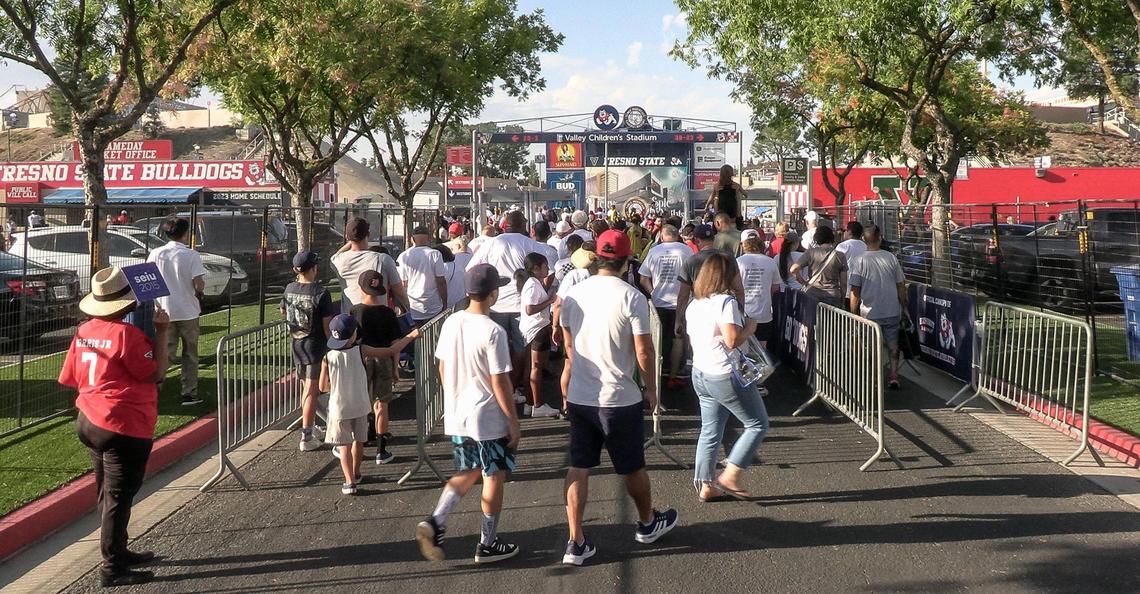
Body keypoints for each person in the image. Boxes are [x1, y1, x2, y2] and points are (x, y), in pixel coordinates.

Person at [559, 230, 678, 566]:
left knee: (579, 466)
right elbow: (644, 348)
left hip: (582, 395)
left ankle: (575, 540)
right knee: (631, 466)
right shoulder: (632, 296)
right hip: (619, 396)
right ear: (627, 262)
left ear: (597, 257)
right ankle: (646, 523)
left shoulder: (574, 294)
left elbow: (568, 346)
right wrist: (651, 388)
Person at [59, 267, 171, 587]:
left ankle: (118, 550)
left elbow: (72, 377)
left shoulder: (83, 331)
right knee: (119, 497)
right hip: (122, 424)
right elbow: (156, 373)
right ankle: (112, 566)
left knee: (106, 493)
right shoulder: (128, 335)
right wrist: (162, 332)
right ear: (125, 303)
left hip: (90, 419)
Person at [415, 263, 522, 564]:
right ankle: (488, 542)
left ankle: (436, 520)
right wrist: (513, 421)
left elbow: (442, 365)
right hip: (486, 416)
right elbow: (499, 380)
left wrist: (455, 394)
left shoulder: (452, 322)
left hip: (459, 412)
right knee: (493, 475)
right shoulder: (494, 331)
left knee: (469, 470)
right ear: (493, 294)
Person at [685, 253, 769, 501]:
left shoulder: (695, 303)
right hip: (723, 373)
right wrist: (751, 328)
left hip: (701, 371)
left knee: (710, 430)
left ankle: (705, 484)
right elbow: (732, 339)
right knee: (757, 424)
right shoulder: (725, 303)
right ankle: (731, 473)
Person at [321, 314, 419, 495]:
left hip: (338, 408)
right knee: (358, 442)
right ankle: (357, 472)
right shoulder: (361, 350)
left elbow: (322, 386)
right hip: (359, 404)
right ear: (353, 335)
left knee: (344, 446)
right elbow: (390, 350)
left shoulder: (327, 357)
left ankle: (349, 481)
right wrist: (411, 336)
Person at [467, 210, 550, 405]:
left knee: (497, 349)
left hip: (495, 304)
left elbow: (471, 268)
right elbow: (548, 271)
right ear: (522, 225)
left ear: (505, 225)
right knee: (522, 350)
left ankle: (500, 390)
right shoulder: (530, 244)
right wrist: (540, 290)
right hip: (521, 305)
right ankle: (511, 388)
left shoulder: (492, 243)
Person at [351, 270, 419, 463]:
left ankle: (360, 444)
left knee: (364, 404)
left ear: (361, 287)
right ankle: (382, 450)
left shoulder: (355, 311)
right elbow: (394, 344)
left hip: (362, 361)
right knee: (382, 404)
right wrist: (396, 367)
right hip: (384, 360)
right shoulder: (388, 313)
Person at [280, 251, 337, 452]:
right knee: (312, 391)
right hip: (315, 345)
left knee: (307, 389)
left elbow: (283, 310)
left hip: (297, 342)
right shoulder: (321, 293)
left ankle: (313, 425)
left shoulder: (289, 288)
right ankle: (307, 435)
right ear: (313, 268)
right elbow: (327, 326)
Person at [146, 218, 205, 406]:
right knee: (190, 354)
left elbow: (148, 278)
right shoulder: (191, 255)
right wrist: (199, 291)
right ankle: (189, 392)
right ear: (185, 233)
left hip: (163, 311)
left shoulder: (156, 253)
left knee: (165, 353)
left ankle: (154, 390)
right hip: (188, 311)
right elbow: (199, 282)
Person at [849, 224, 908, 389]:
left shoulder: (858, 260)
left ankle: (874, 377)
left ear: (863, 239)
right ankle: (894, 375)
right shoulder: (891, 258)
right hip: (891, 309)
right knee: (893, 344)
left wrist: (853, 312)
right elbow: (900, 286)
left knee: (871, 347)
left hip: (869, 313)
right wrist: (904, 306)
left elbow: (855, 290)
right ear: (880, 238)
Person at [638, 224, 691, 390]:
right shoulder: (687, 251)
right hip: (680, 301)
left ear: (661, 235)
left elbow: (643, 278)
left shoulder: (654, 251)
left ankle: (655, 375)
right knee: (678, 337)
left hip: (659, 301)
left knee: (657, 339)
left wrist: (653, 292)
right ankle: (673, 376)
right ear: (678, 235)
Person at [675, 223, 745, 341]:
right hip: (725, 309)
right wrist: (741, 314)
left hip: (700, 310)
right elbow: (739, 289)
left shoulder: (691, 261)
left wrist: (678, 320)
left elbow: (683, 295)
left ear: (697, 241)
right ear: (713, 239)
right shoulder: (728, 258)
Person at [332, 217, 408, 315]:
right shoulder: (383, 259)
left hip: (350, 322)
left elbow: (336, 254)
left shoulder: (337, 261)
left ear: (347, 237)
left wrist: (351, 239)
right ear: (368, 235)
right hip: (378, 320)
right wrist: (408, 308)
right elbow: (399, 290)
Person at [515, 253, 559, 418]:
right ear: (536, 268)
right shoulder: (533, 285)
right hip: (537, 329)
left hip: (532, 329)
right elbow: (530, 309)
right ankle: (538, 404)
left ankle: (530, 403)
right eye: (545, 266)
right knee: (536, 367)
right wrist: (550, 301)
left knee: (531, 367)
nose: (547, 269)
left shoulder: (533, 283)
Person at [737, 229, 781, 349]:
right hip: (764, 313)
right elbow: (775, 287)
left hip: (743, 313)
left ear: (743, 244)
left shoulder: (738, 262)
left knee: (744, 350)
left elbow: (733, 287)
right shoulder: (770, 262)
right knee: (762, 350)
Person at [397, 226, 447, 325]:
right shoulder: (435, 254)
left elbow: (403, 283)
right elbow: (440, 281)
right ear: (429, 239)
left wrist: (402, 306)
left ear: (412, 239)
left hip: (413, 306)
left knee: (415, 336)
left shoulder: (404, 256)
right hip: (433, 305)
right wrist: (445, 301)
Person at [791, 225, 847, 307]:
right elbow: (843, 283)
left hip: (812, 294)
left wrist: (804, 283)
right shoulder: (840, 255)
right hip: (832, 296)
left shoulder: (810, 253)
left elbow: (793, 269)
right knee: (830, 320)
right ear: (832, 238)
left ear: (817, 238)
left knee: (811, 319)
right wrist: (842, 300)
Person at [440, 238, 473, 309]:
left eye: (453, 247)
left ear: (458, 246)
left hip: (450, 303)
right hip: (465, 298)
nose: (452, 250)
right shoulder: (472, 256)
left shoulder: (448, 265)